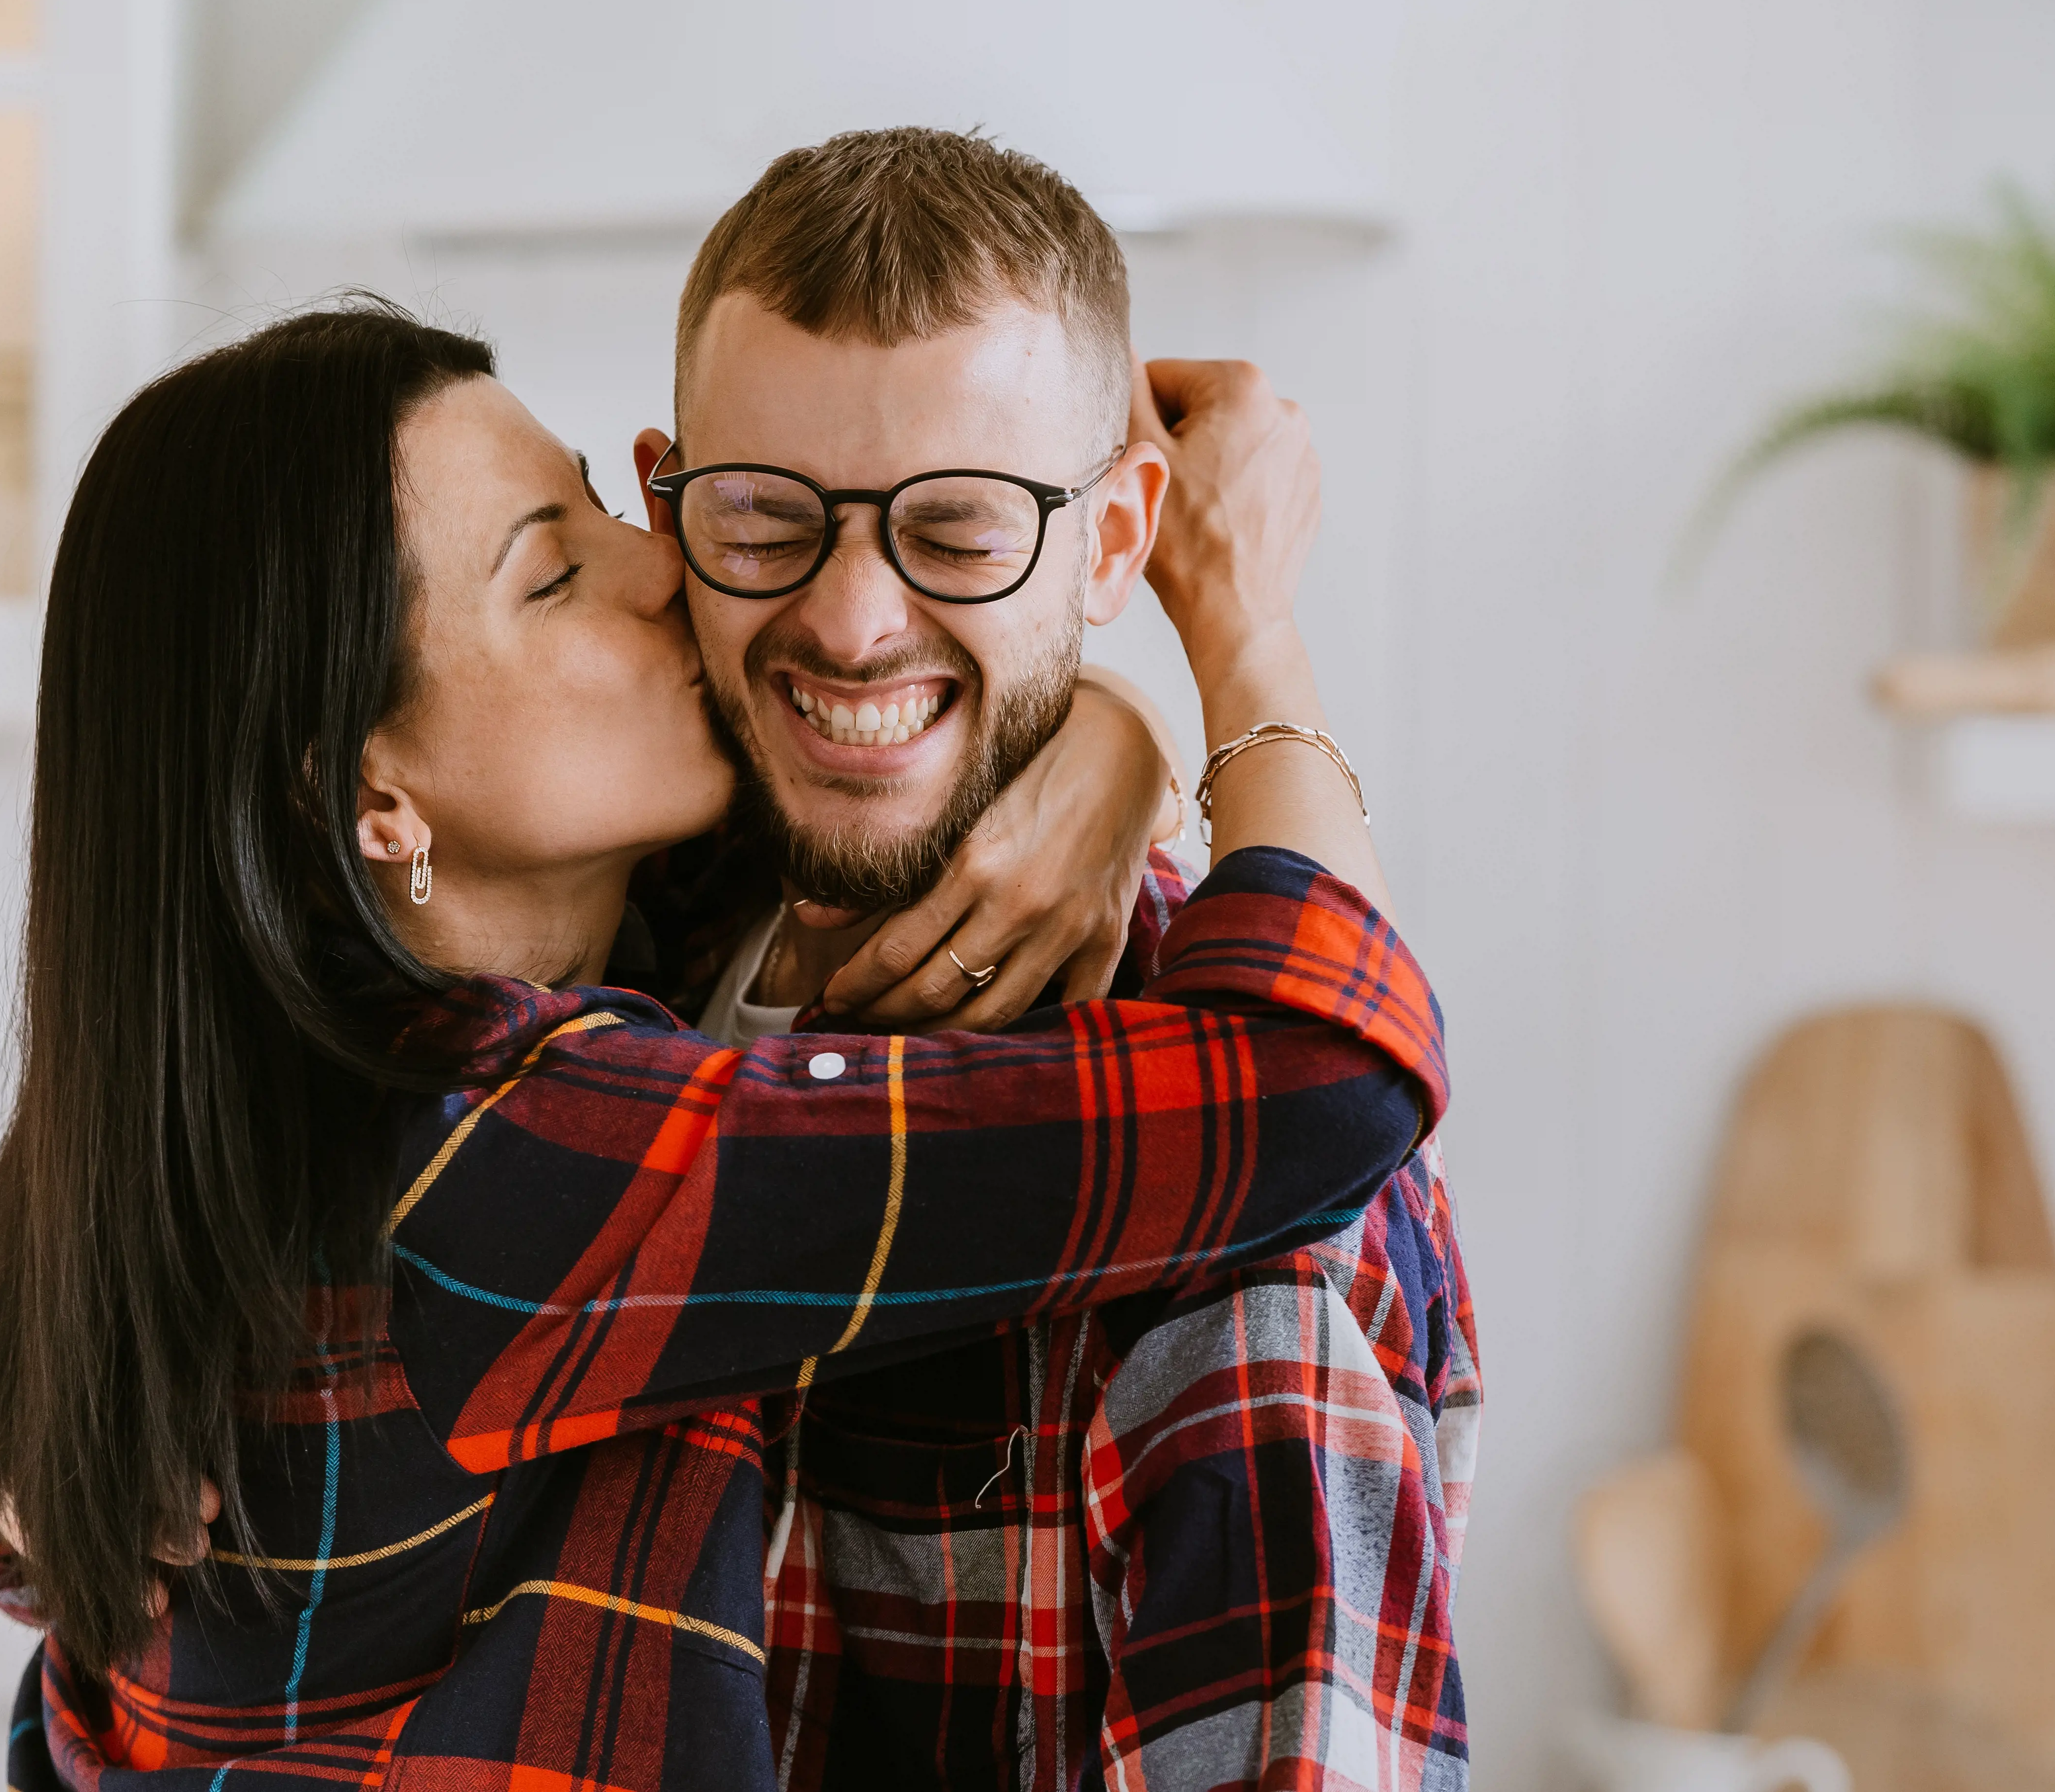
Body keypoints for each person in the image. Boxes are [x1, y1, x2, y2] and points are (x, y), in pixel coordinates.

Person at [0, 295, 1445, 1788]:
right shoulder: (509, 1159)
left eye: (602, 506)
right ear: (365, 798)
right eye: (551, 576)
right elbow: (1317, 1081)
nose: (660, 573)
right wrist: (1241, 635)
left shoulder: (249, 1114)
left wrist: (1099, 733)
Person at [629, 129, 1478, 1790]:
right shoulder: (600, 944)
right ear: (671, 506)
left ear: (1111, 542)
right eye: (765, 515)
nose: (855, 620)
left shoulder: (1235, 1203)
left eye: (957, 535)